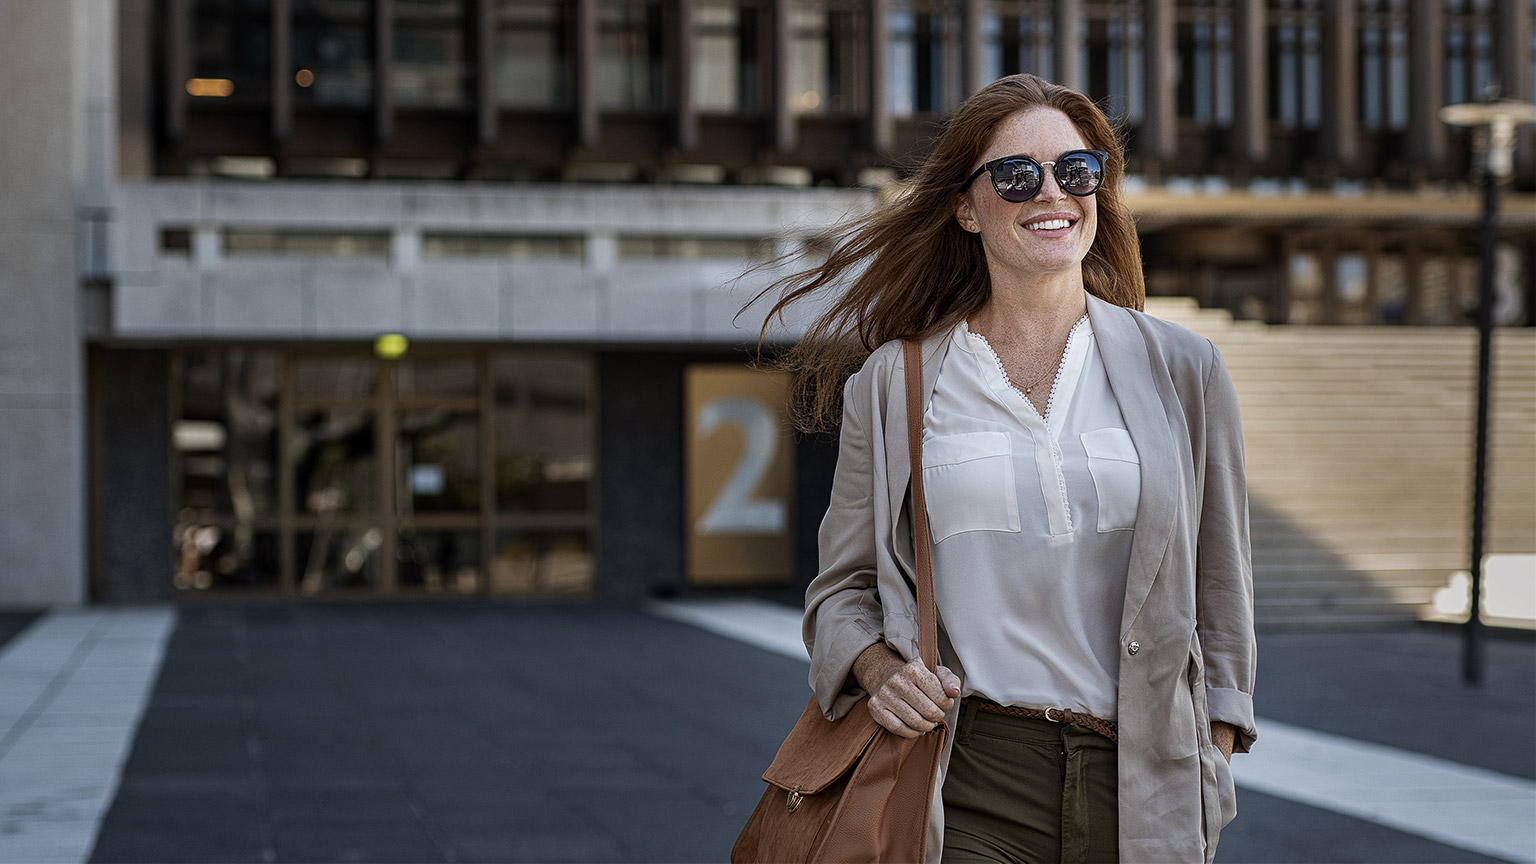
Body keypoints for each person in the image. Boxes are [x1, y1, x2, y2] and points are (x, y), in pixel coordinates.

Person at [758, 74, 1257, 863]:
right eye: (1018, 175)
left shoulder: (1184, 369)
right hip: (967, 776)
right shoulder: (896, 382)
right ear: (966, 206)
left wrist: (1216, 748)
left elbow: (1220, 586)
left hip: (1145, 779)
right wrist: (879, 667)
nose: (1052, 193)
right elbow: (841, 591)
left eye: (1076, 170)